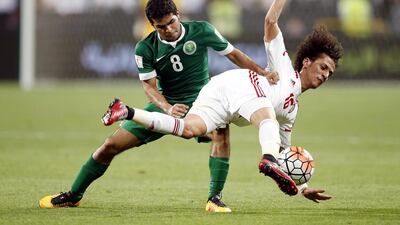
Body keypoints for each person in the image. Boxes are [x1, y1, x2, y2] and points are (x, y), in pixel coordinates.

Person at [39, 0, 278, 212]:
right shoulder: (145, 48)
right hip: (167, 104)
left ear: (178, 15)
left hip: (205, 100)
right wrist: (166, 108)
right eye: (161, 26)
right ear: (152, 25)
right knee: (110, 145)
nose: (169, 29)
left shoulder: (201, 30)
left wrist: (262, 71)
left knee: (221, 134)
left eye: (171, 22)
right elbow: (150, 87)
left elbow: (233, 54)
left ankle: (215, 199)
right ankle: (74, 195)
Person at [101, 0, 343, 207]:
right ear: (307, 62)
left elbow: (284, 152)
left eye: (329, 74)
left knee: (188, 130)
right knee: (266, 116)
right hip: (239, 87)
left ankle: (127, 111)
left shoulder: (291, 111)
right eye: (323, 67)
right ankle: (265, 161)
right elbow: (270, 21)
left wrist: (303, 187)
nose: (324, 75)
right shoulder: (283, 65)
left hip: (219, 99)